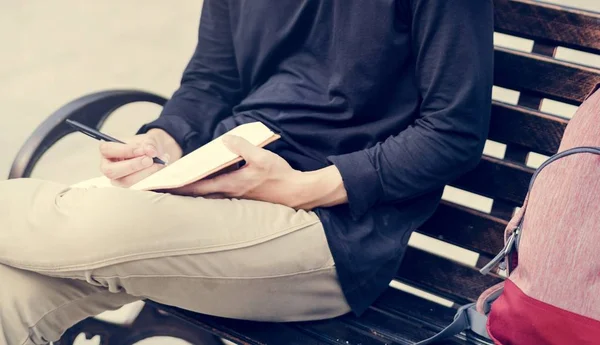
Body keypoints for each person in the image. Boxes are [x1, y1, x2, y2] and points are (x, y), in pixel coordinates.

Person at [0, 0, 494, 344]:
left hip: (329, 231)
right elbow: (212, 81)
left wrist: (298, 189)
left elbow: (452, 133)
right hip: (211, 184)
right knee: (9, 296)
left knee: (95, 222)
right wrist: (159, 141)